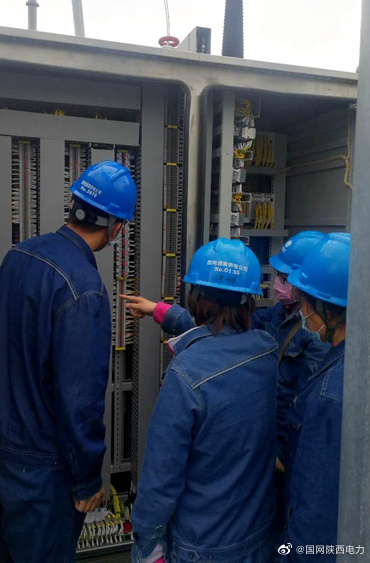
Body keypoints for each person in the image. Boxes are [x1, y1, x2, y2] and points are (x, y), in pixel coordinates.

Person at [0, 161, 137, 563]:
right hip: (43, 472)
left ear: (75, 205)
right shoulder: (84, 288)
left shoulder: (18, 255)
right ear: (116, 228)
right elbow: (79, 399)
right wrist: (86, 478)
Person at [124, 238, 279, 563]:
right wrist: (159, 311)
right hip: (258, 536)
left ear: (194, 296)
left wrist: (148, 545)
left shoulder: (186, 374)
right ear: (249, 299)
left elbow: (161, 478)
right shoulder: (267, 352)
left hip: (202, 546)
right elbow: (223, 329)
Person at [282, 232, 350, 561]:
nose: (302, 309)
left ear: (329, 312)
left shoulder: (329, 395)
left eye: (306, 302)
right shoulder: (352, 367)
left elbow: (314, 515)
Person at [251, 232, 331, 466]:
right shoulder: (283, 310)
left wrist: (285, 455)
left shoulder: (316, 333)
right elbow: (248, 321)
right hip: (272, 434)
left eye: (284, 278)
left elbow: (305, 406)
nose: (278, 282)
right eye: (278, 275)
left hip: (287, 447)